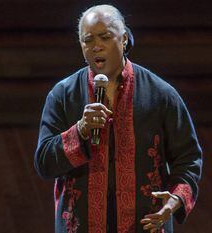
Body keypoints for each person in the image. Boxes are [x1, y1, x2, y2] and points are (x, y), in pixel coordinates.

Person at [34, 4, 202, 233]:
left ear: (123, 40)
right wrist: (80, 130)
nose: (96, 46)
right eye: (88, 40)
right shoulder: (62, 95)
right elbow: (44, 163)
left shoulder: (161, 95)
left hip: (146, 225)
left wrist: (175, 200)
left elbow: (189, 158)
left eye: (105, 37)